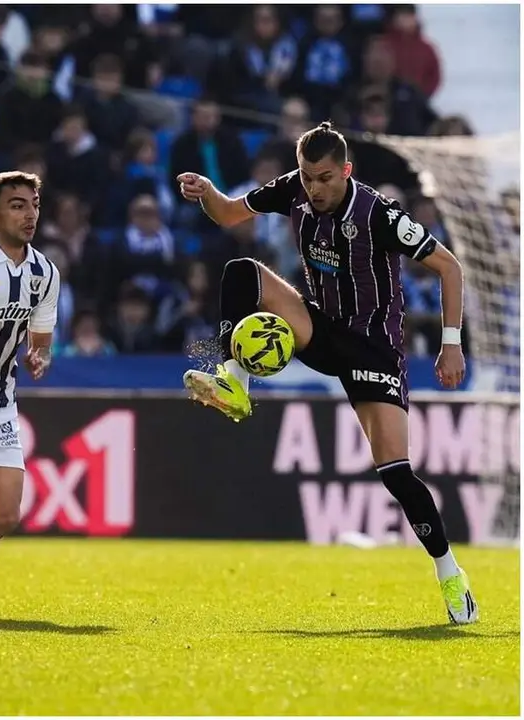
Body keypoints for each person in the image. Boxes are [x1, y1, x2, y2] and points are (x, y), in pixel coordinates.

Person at [177, 121, 477, 625]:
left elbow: (450, 267)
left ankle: (450, 572)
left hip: (374, 350)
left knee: (396, 473)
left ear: (346, 171)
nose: (313, 189)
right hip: (320, 329)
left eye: (324, 179)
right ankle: (235, 382)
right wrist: (207, 192)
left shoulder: (380, 214)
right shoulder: (293, 189)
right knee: (242, 271)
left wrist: (451, 345)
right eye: (307, 177)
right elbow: (228, 214)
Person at [0, 171, 61, 550]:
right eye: (17, 206)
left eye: (34, 205)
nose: (30, 215)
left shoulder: (45, 273)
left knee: (6, 515)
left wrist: (40, 357)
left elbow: (41, 342)